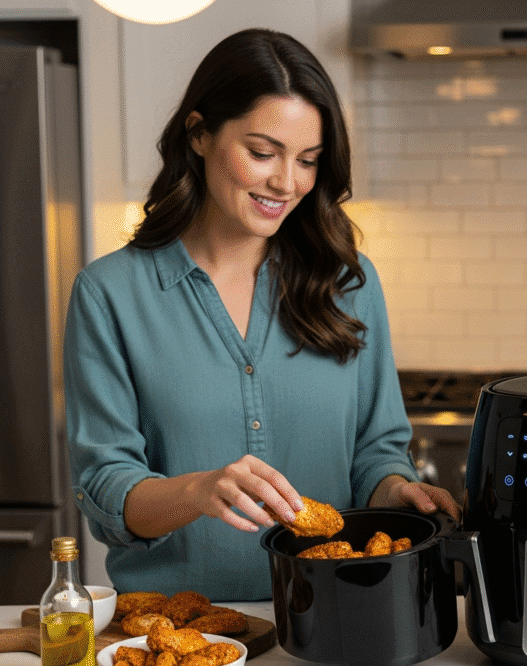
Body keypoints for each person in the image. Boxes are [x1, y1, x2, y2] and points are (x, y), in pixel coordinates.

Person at [63, 28, 460, 601]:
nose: (287, 182)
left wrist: (396, 491)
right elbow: (106, 489)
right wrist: (200, 490)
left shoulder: (350, 281)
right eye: (262, 152)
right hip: (181, 637)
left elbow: (377, 451)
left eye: (308, 161)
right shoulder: (110, 294)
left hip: (336, 622)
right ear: (199, 135)